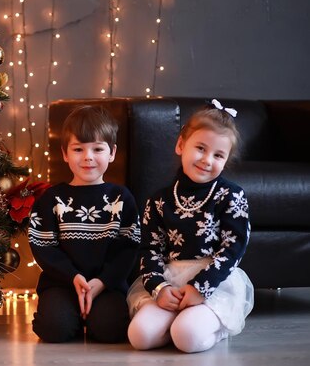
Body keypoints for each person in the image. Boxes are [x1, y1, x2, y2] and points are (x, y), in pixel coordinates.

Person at [126, 99, 254, 353]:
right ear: (181, 145)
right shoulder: (159, 200)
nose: (207, 160)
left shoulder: (231, 196)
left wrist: (200, 288)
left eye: (218, 155)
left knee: (186, 337)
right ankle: (174, 322)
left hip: (214, 282)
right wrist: (159, 288)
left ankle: (209, 328)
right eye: (200, 148)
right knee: (139, 336)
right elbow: (149, 250)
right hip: (171, 281)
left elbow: (233, 249)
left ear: (226, 159)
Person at [28, 105, 141, 343]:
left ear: (111, 153)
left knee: (111, 330)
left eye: (97, 149)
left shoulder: (121, 198)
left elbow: (128, 248)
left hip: (106, 284)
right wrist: (73, 277)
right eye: (78, 149)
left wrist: (101, 282)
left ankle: (91, 315)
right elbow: (44, 246)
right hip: (63, 283)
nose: (88, 157)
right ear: (65, 153)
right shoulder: (51, 199)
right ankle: (71, 316)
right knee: (53, 329)